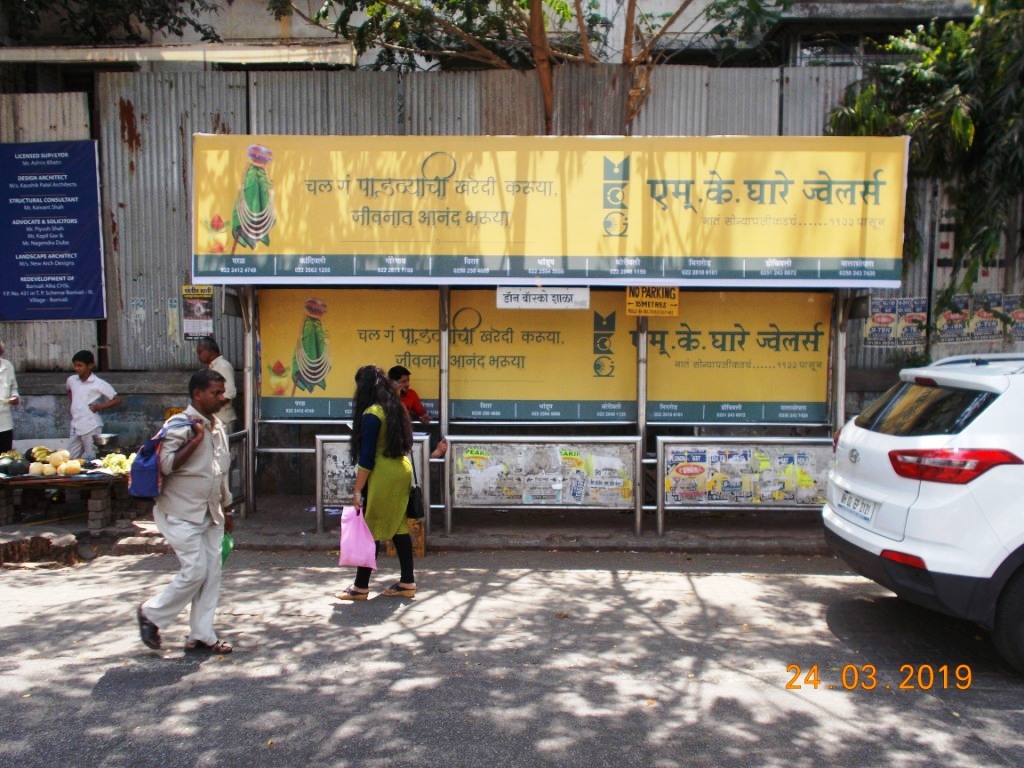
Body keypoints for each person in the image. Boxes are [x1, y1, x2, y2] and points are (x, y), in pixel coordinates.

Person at [136, 369, 235, 654]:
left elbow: (221, 472)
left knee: (211, 573)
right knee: (195, 571)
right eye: (215, 393)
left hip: (211, 512)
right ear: (197, 395)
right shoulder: (179, 424)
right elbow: (166, 465)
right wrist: (194, 439)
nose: (222, 397)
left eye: (221, 392)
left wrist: (228, 509)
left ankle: (202, 634)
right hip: (180, 512)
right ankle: (150, 614)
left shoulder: (219, 427)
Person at [336, 365, 416, 601]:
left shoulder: (371, 413)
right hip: (401, 469)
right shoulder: (393, 407)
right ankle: (407, 582)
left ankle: (360, 587)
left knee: (371, 527)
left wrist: (358, 490)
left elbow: (367, 458)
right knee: (398, 527)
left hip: (383, 475)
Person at [66, 350, 121, 461]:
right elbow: (69, 391)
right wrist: (75, 404)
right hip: (76, 423)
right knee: (71, 457)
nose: (76, 368)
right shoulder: (72, 380)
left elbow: (117, 399)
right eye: (75, 365)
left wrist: (98, 407)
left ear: (90, 366)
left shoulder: (99, 384)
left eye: (80, 365)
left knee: (93, 457)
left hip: (91, 425)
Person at [388, 364, 447, 458]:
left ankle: (432, 455)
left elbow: (422, 413)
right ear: (392, 383)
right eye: (403, 382)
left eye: (408, 381)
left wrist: (423, 418)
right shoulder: (385, 396)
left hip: (405, 433)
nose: (407, 384)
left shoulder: (411, 394)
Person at [196, 336, 238, 434]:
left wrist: (211, 405)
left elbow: (230, 392)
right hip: (217, 419)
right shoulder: (213, 367)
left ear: (209, 351)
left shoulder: (223, 366)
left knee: (222, 449)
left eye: (200, 352)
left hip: (223, 419)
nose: (198, 356)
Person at [0, 340, 20, 453]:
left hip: (5, 422)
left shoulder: (7, 366)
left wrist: (15, 397)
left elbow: (13, 387)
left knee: (5, 457)